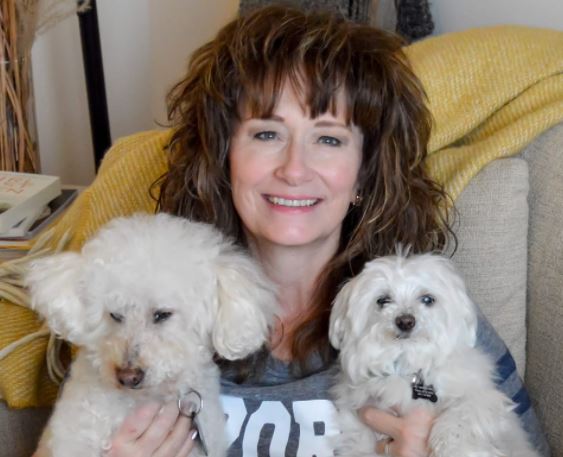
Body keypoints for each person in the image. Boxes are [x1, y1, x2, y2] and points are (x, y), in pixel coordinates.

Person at [97, 5, 546, 457]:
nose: (295, 169)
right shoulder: (145, 310)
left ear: (364, 173)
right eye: (267, 134)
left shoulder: (435, 318)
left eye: (328, 139)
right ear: (223, 155)